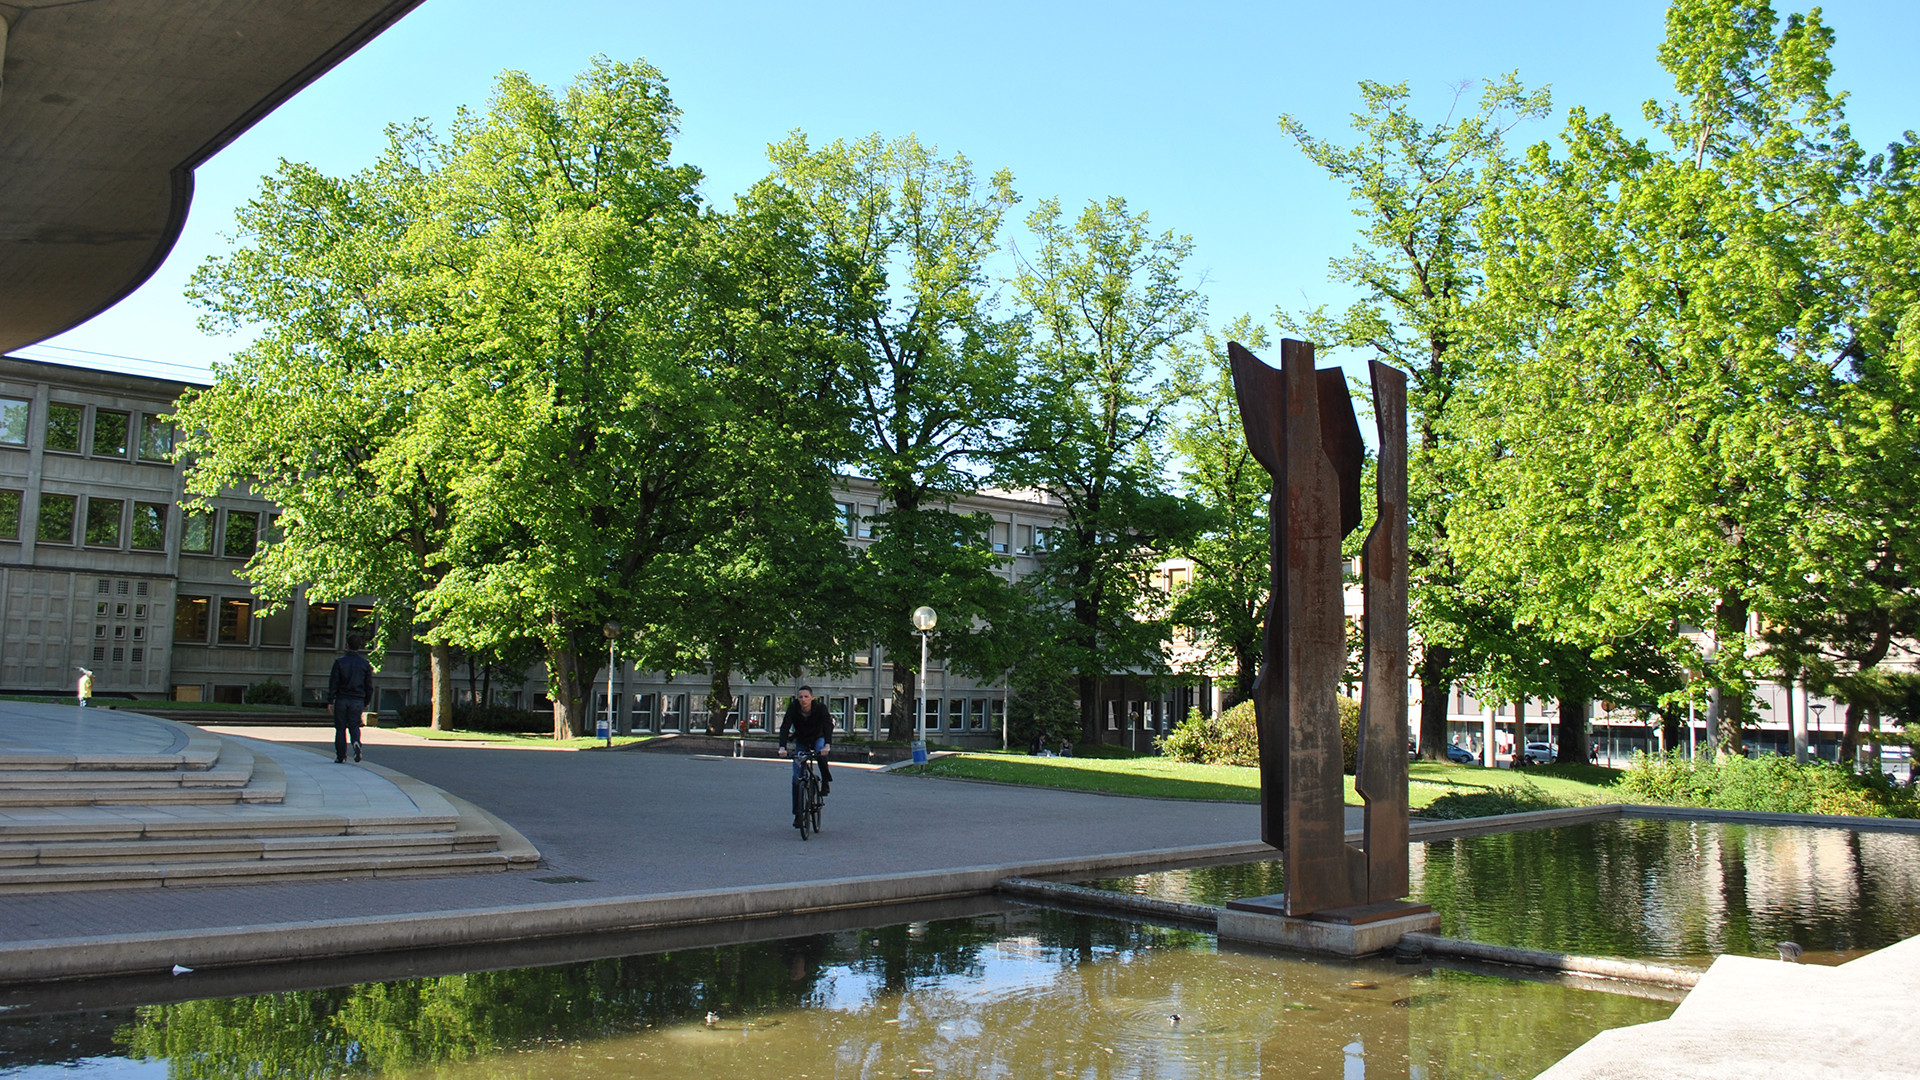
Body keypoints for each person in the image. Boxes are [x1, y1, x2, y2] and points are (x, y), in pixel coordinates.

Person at [777, 686, 833, 827]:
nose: (803, 700)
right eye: (801, 697)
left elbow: (827, 726)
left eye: (806, 697)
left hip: (818, 737)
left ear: (812, 698)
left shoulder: (820, 708)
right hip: (802, 739)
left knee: (820, 753)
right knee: (797, 777)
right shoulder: (793, 708)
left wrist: (827, 745)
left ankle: (825, 782)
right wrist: (782, 747)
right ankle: (798, 815)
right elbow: (785, 727)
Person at [328, 634, 375, 764]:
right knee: (354, 726)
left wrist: (330, 700)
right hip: (357, 699)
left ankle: (341, 756)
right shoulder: (365, 664)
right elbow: (369, 685)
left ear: (347, 645)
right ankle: (356, 742)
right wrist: (366, 701)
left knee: (340, 728)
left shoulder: (340, 662)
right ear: (359, 647)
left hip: (342, 698)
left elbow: (334, 682)